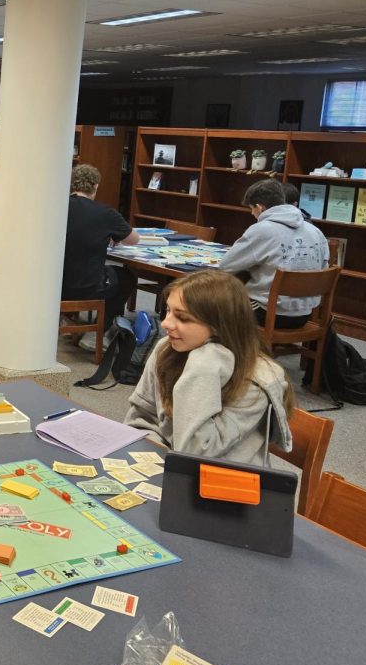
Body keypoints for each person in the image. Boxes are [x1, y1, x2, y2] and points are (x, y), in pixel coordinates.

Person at [123, 270, 294, 465]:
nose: (165, 324)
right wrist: (154, 459)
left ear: (220, 326)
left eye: (183, 318)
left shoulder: (258, 381)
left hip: (225, 481)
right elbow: (141, 418)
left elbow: (196, 452)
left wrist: (203, 365)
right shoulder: (167, 348)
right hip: (168, 466)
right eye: (168, 311)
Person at [219, 179, 328, 328]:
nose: (252, 213)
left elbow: (226, 266)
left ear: (260, 207)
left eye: (252, 209)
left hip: (267, 313)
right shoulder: (315, 232)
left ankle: (234, 348)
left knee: (216, 300)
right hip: (304, 315)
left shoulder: (262, 229)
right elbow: (324, 267)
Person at [61, 164, 139, 332]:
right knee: (127, 278)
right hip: (86, 287)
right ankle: (100, 329)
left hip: (54, 284)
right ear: (96, 186)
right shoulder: (105, 214)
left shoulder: (56, 207)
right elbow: (134, 239)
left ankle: (69, 321)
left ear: (72, 184)